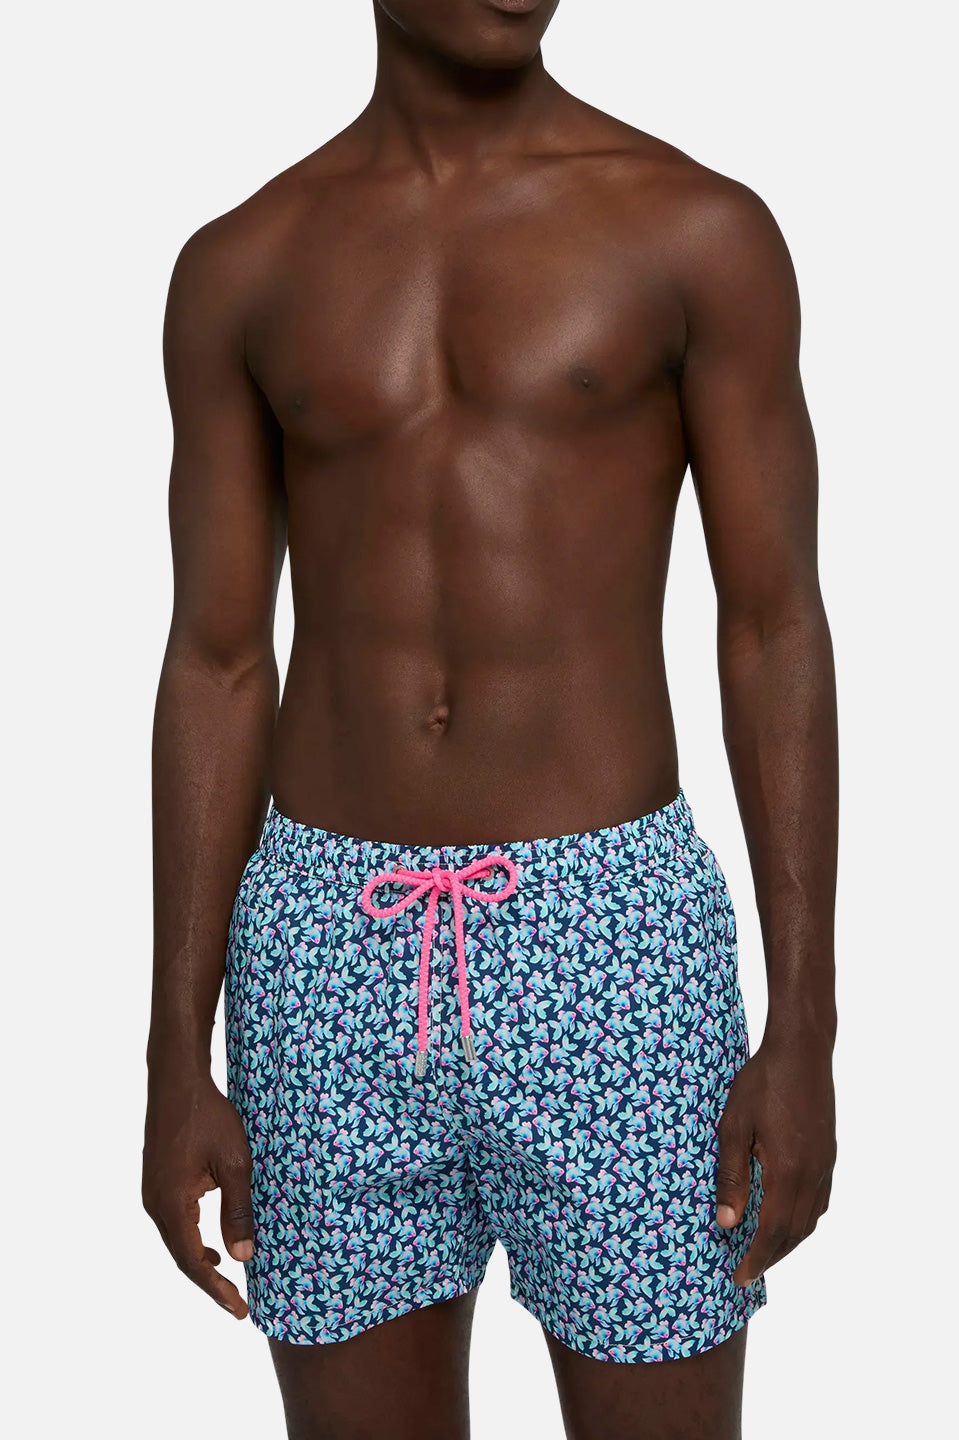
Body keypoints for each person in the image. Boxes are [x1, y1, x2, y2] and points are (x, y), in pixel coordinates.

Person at [142, 2, 838, 1435]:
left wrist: (807, 1026)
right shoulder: (243, 266)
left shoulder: (693, 232)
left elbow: (774, 625)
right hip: (325, 946)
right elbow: (216, 660)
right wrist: (172, 1055)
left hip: (612, 936)